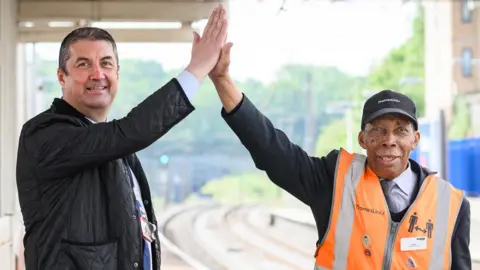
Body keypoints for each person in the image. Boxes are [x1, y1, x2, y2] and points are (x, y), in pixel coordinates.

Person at [208, 41, 471, 269]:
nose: (389, 141)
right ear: (362, 139)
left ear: (415, 139)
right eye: (378, 130)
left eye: (400, 131)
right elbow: (273, 151)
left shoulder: (452, 206)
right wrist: (223, 82)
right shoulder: (334, 181)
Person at [15, 5, 228, 270]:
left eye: (106, 63)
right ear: (61, 76)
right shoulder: (44, 134)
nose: (98, 74)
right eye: (83, 64)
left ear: (117, 74)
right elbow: (129, 131)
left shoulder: (117, 146)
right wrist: (197, 69)